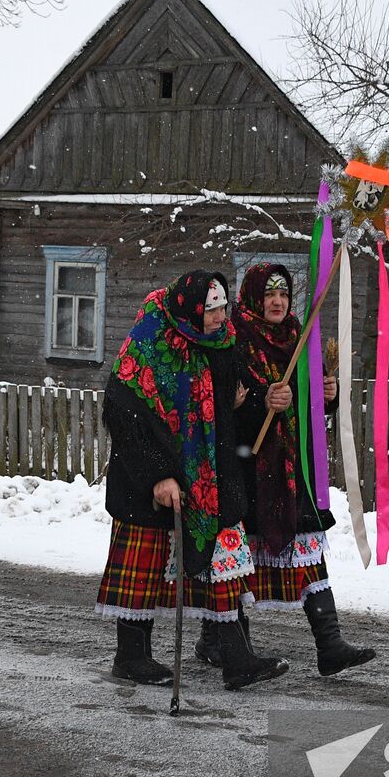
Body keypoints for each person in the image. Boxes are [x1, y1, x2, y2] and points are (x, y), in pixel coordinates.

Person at [96, 270, 289, 691]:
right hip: (148, 481)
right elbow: (123, 416)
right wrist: (158, 476)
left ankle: (236, 658)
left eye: (224, 308)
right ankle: (131, 656)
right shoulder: (149, 342)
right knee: (143, 568)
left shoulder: (222, 343)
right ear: (192, 309)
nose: (223, 317)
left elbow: (237, 403)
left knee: (224, 561)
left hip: (210, 475)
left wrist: (263, 400)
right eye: (214, 309)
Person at [196, 262, 375, 676]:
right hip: (245, 463)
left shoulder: (301, 335)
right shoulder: (233, 338)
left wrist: (325, 395)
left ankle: (330, 646)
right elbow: (222, 400)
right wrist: (261, 400)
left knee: (309, 547)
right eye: (269, 293)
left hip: (289, 468)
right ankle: (218, 642)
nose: (277, 301)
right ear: (255, 296)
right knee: (236, 560)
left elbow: (308, 404)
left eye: (284, 293)